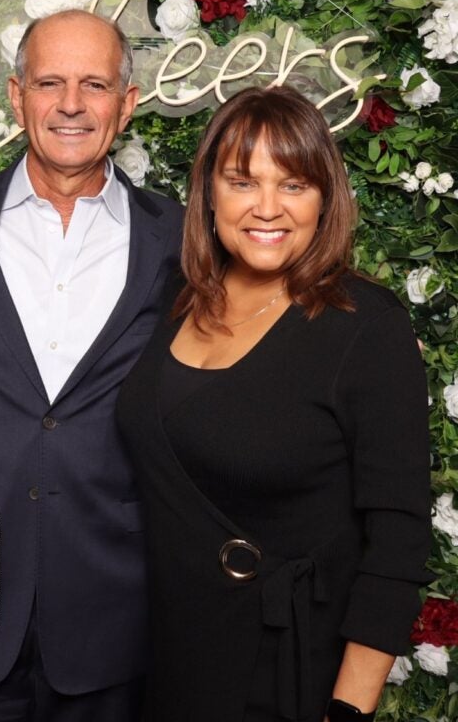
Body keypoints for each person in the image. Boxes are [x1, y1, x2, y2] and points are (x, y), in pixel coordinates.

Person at [116, 85, 433, 722]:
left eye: (293, 184)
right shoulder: (177, 296)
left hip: (286, 669)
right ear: (209, 193)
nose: (267, 207)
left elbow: (397, 542)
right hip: (171, 655)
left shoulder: (364, 325)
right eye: (242, 181)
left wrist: (347, 712)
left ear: (325, 199)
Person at [0, 9, 184, 721]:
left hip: (115, 619)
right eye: (49, 82)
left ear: (128, 103)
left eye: (94, 85)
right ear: (15, 95)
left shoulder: (184, 240)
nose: (69, 105)